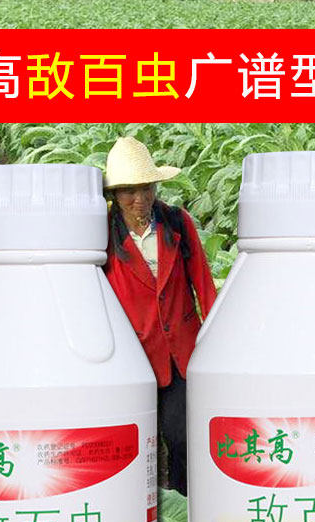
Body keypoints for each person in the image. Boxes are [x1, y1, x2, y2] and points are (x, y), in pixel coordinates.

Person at [103, 137, 217, 495]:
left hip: (181, 352)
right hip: (133, 357)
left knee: (183, 438)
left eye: (146, 188)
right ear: (114, 194)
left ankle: (184, 505)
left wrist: (217, 341)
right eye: (129, 191)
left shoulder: (176, 223)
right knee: (136, 445)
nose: (140, 199)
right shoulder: (103, 235)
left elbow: (203, 284)